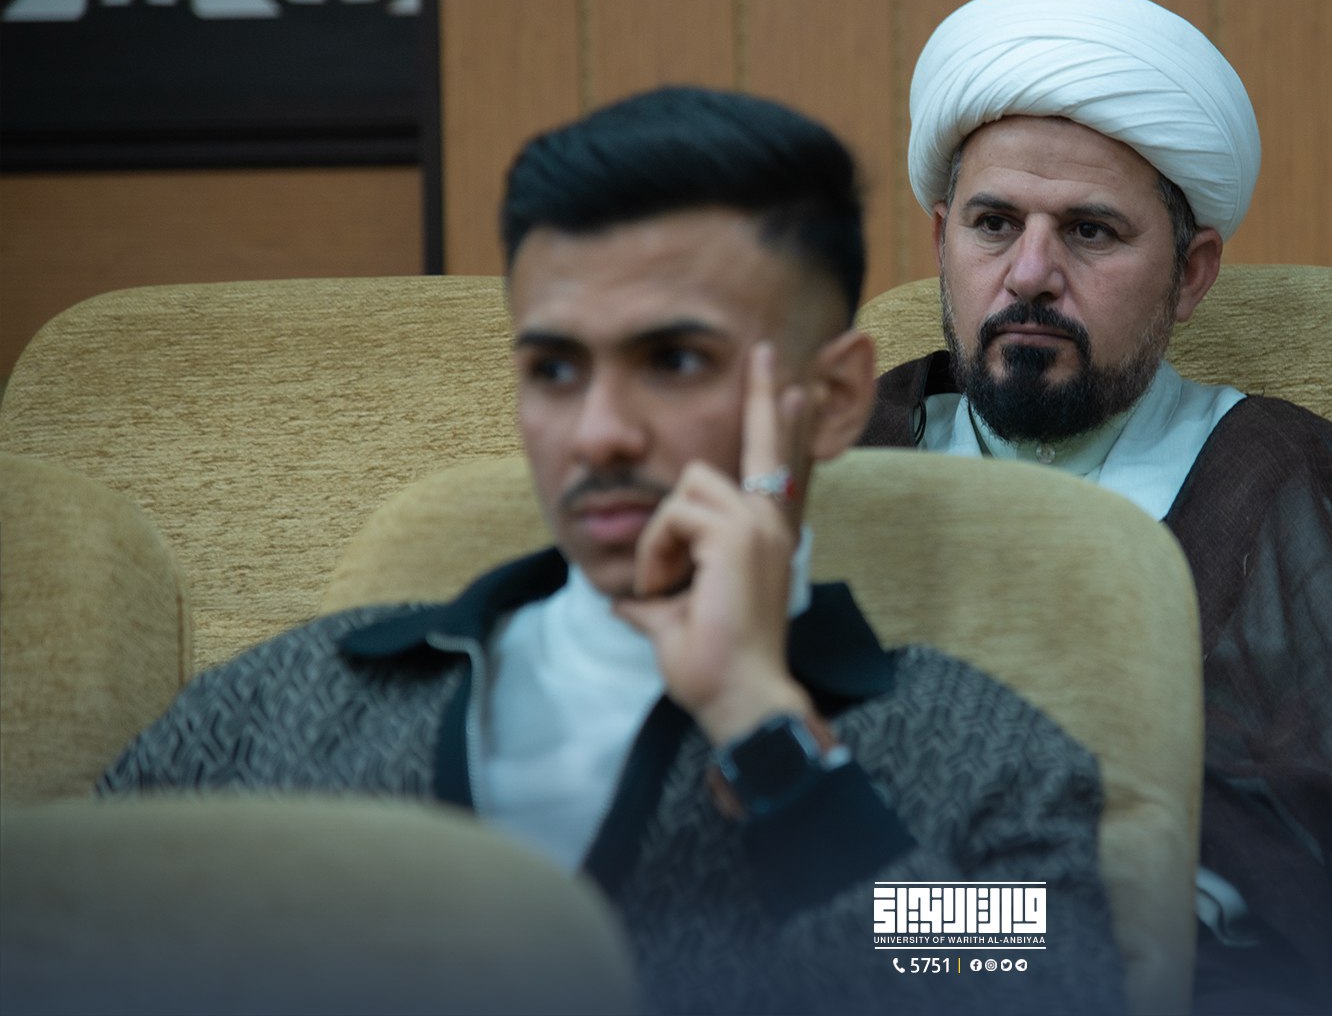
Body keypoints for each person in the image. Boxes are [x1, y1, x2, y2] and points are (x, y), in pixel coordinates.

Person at [101, 86, 1124, 1015]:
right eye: (554, 369)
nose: (597, 435)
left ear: (831, 399)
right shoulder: (287, 700)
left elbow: (1040, 987)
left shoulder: (977, 751)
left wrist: (774, 744)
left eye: (674, 361)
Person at [860, 0, 1332, 1013]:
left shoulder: (1273, 474)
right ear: (941, 241)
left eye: (1091, 231)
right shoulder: (841, 455)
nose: (1030, 273)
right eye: (994, 223)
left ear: (1190, 275)